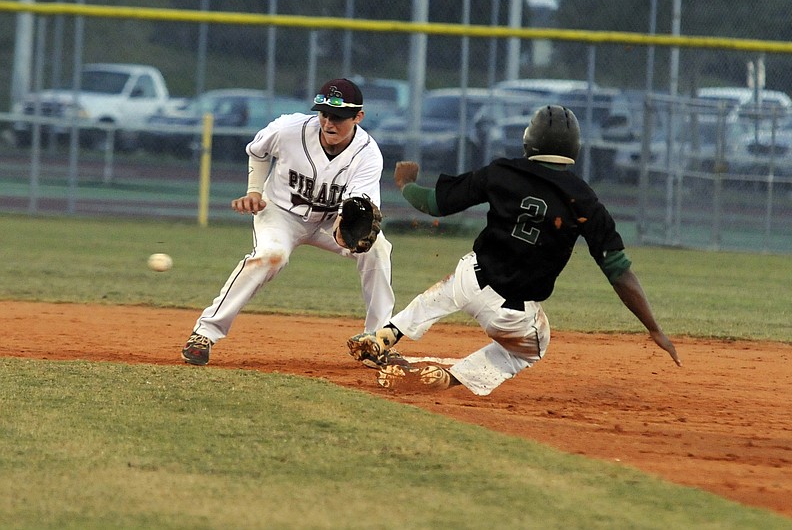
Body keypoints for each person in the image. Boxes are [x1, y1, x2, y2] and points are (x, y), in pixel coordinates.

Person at [347, 105, 681, 395]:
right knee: (531, 349)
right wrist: (653, 327)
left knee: (451, 284)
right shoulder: (585, 200)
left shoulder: (502, 171)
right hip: (512, 315)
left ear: (529, 140)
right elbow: (619, 272)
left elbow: (435, 204)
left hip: (471, 280)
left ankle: (388, 333)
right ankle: (448, 378)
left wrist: (406, 185)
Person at [182, 78, 395, 366]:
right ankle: (204, 333)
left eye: (339, 117)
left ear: (358, 117)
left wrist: (349, 227)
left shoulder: (367, 154)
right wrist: (254, 191)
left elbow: (359, 208)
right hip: (280, 214)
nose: (329, 123)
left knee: (377, 249)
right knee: (271, 256)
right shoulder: (289, 129)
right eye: (324, 114)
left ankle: (376, 341)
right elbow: (257, 152)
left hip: (332, 222)